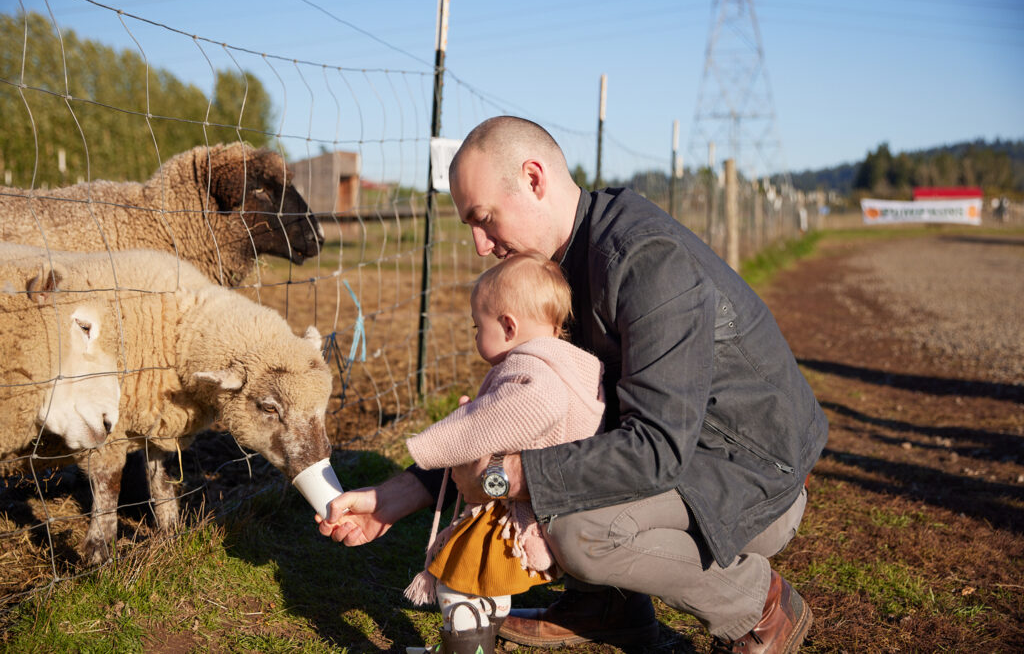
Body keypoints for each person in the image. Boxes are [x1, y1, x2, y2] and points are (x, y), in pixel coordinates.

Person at [317, 116, 829, 654]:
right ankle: (606, 607)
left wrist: (502, 479)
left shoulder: (645, 261)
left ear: (534, 179)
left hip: (752, 473)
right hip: (690, 453)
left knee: (572, 526)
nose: (478, 245)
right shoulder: (561, 263)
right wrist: (395, 496)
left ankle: (757, 605)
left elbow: (655, 449)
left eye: (484, 218)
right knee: (559, 464)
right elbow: (517, 412)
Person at [401, 251, 605, 654]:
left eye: (478, 327)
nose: (476, 336)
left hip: (516, 514)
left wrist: (441, 441)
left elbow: (519, 413)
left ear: (509, 326)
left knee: (461, 579)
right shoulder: (573, 365)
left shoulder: (534, 375)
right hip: (556, 503)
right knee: (486, 581)